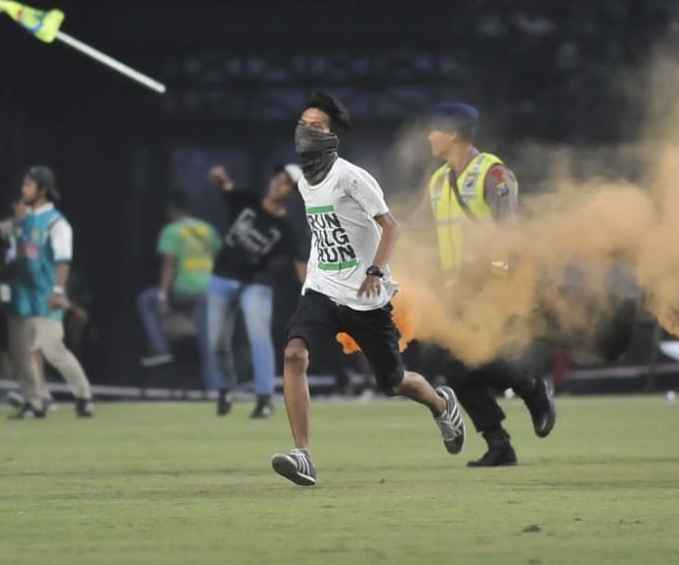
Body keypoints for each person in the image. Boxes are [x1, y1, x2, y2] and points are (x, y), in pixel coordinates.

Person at [270, 91, 466, 487]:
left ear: (330, 136)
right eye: (302, 124)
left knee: (394, 382)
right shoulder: (305, 181)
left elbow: (391, 226)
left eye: (315, 126)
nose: (305, 131)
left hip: (364, 297)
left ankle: (441, 403)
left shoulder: (351, 177)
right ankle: (303, 455)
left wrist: (375, 269)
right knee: (293, 354)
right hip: (322, 288)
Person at [423, 103, 556, 467]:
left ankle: (530, 393)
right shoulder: (438, 182)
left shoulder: (493, 174)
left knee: (474, 356)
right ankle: (501, 441)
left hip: (491, 282)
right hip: (455, 290)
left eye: (435, 130)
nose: (429, 136)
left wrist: (498, 278)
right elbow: (421, 230)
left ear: (453, 134)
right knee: (457, 367)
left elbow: (508, 234)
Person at [206, 163, 305, 418]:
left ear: (293, 193)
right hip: (222, 276)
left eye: (286, 182)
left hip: (256, 283)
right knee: (217, 340)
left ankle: (264, 399)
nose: (278, 183)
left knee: (259, 338)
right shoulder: (249, 198)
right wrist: (220, 178)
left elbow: (299, 263)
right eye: (278, 178)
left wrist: (312, 295)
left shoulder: (286, 228)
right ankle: (225, 386)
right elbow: (227, 187)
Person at [7, 166, 95, 418]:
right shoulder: (22, 220)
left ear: (42, 190)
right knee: (23, 352)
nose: (23, 190)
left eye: (29, 185)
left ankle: (84, 396)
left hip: (46, 296)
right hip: (22, 296)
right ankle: (33, 403)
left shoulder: (56, 223)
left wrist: (58, 291)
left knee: (52, 349)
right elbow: (13, 253)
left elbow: (63, 261)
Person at [138, 190, 221, 373]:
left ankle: (161, 347)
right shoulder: (208, 229)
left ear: (171, 210)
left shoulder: (172, 230)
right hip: (209, 289)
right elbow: (219, 260)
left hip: (185, 289)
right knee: (208, 344)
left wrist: (162, 296)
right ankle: (216, 386)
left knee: (146, 300)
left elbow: (169, 264)